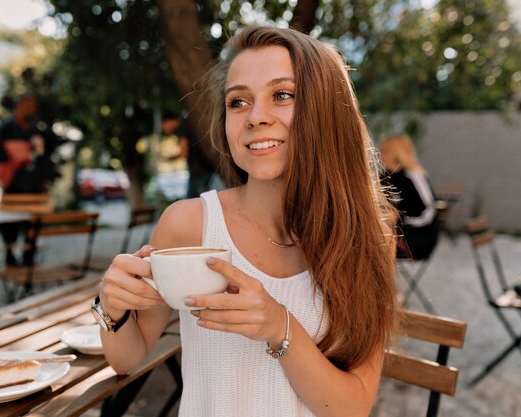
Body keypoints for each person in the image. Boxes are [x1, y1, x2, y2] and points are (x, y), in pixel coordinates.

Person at [95, 26, 397, 417]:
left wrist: (279, 326)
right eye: (238, 102)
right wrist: (112, 307)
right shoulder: (190, 224)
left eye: (282, 95)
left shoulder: (368, 238)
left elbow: (351, 408)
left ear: (326, 110)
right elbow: (127, 358)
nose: (255, 117)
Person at [0, 94, 51, 266]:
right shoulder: (6, 126)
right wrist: (20, 150)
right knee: (10, 222)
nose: (32, 109)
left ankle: (28, 257)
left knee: (33, 222)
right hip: (13, 183)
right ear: (21, 105)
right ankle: (10, 255)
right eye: (29, 105)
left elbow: (41, 157)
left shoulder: (34, 128)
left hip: (33, 184)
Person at [379, 133, 439, 261]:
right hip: (390, 235)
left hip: (418, 236)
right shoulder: (382, 178)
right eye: (380, 152)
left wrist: (399, 218)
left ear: (397, 155)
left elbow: (429, 211)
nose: (380, 157)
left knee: (377, 246)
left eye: (385, 153)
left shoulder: (413, 176)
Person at [176, 118, 221, 198]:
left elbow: (183, 153)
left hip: (198, 172)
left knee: (195, 201)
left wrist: (170, 158)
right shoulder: (194, 122)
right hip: (209, 167)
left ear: (168, 121)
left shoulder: (182, 127)